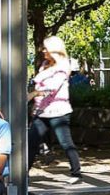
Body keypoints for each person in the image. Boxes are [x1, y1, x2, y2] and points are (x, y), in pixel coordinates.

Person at [28, 35, 81, 180]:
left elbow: (52, 87)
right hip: (42, 110)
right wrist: (35, 104)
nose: (43, 50)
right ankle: (23, 174)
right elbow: (39, 86)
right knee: (31, 141)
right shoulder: (44, 64)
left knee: (65, 142)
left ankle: (76, 172)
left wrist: (33, 93)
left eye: (46, 48)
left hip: (58, 111)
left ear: (54, 49)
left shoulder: (63, 66)